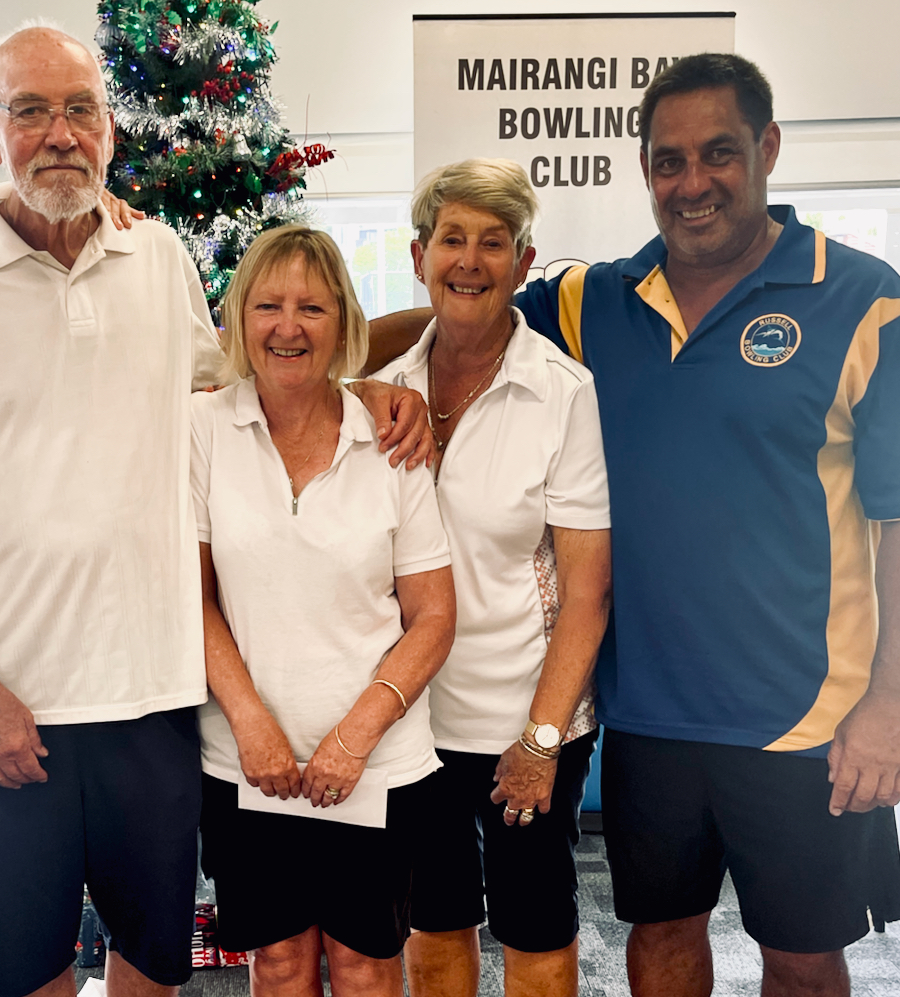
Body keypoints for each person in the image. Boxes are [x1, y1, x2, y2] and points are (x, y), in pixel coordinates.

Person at [0, 22, 428, 997]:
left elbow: (234, 388)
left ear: (110, 129)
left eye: (80, 109)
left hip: (153, 697)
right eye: (30, 110)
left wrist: (364, 390)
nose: (60, 132)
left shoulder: (159, 254)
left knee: (152, 962)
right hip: (10, 704)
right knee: (27, 966)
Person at [367, 52, 900, 997]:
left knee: (805, 963)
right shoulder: (593, 301)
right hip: (647, 713)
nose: (693, 183)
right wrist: (347, 374)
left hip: (807, 716)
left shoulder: (862, 299)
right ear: (645, 170)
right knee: (660, 940)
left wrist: (889, 706)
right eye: (668, 161)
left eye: (719, 153)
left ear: (769, 148)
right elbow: (465, 311)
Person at [193, 224, 456, 997]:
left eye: (312, 307)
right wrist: (250, 724)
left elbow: (434, 617)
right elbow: (192, 596)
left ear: (343, 322)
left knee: (364, 965)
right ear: (239, 319)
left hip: (375, 760)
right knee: (277, 963)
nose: (289, 327)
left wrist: (354, 738)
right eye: (268, 306)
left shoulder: (391, 438)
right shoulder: (203, 430)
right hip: (246, 760)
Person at [370, 160, 611, 997]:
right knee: (434, 922)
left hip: (526, 717)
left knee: (535, 925)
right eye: (451, 240)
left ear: (524, 261)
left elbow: (588, 592)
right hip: (412, 719)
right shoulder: (381, 389)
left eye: (493, 242)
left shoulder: (561, 392)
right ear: (419, 256)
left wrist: (541, 742)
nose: (469, 261)